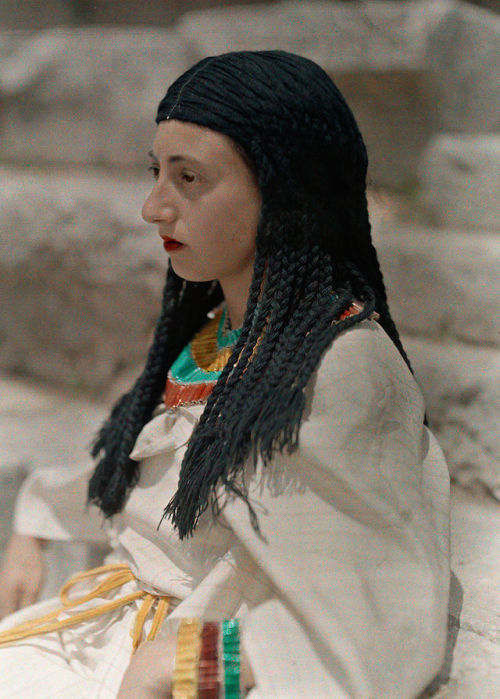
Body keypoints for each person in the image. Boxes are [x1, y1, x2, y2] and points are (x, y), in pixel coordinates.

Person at [0, 50, 450, 698]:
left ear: (283, 191)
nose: (154, 207)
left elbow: (380, 611)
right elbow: (141, 480)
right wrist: (34, 524)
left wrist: (193, 661)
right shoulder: (213, 335)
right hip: (107, 630)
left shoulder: (346, 369)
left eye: (189, 179)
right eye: (156, 173)